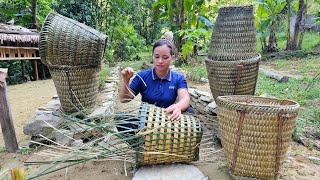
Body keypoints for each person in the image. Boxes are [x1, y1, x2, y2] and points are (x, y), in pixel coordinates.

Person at [119, 33, 190, 121]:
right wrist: (125, 80)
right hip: (146, 120)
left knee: (190, 111)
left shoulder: (178, 78)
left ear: (172, 58)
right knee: (121, 119)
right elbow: (124, 99)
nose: (160, 61)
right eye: (156, 57)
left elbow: (185, 98)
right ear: (152, 56)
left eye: (165, 57)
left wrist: (177, 107)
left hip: (168, 120)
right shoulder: (142, 76)